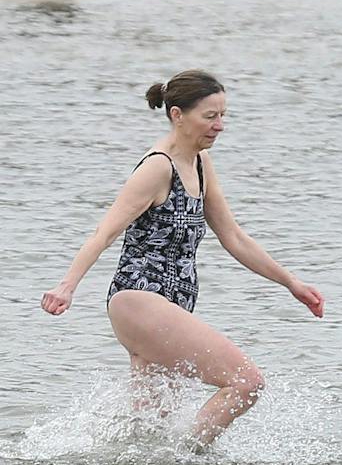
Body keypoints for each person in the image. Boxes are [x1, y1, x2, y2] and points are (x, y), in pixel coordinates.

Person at [39, 71, 324, 446]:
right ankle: (187, 460)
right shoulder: (158, 167)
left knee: (151, 427)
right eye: (210, 116)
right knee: (246, 382)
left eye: (223, 115)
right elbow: (104, 232)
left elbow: (233, 237)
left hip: (174, 304)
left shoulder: (201, 164)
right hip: (140, 299)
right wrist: (67, 286)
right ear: (177, 115)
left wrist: (291, 283)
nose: (219, 126)